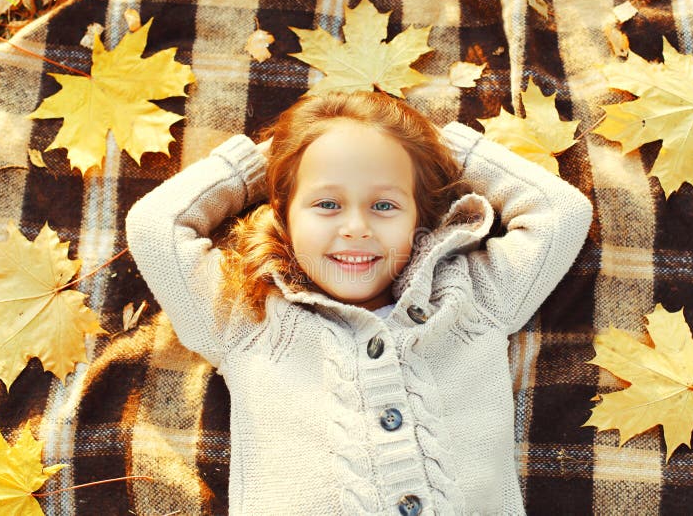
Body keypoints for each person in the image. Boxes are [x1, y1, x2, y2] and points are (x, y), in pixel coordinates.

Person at [125, 91, 593, 515]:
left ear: (420, 219)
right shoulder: (249, 317)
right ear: (284, 216)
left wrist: (443, 148)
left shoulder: (470, 298)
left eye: (385, 206)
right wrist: (263, 165)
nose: (356, 227)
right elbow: (156, 226)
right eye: (326, 204)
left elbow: (559, 212)